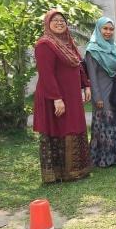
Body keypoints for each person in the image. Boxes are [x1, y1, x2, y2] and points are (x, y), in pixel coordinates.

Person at [33, 9, 91, 183]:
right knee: (60, 129)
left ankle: (77, 170)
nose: (59, 23)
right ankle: (59, 173)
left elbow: (79, 65)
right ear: (48, 23)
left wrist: (86, 85)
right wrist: (57, 98)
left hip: (72, 96)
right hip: (55, 96)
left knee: (74, 126)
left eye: (62, 20)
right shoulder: (45, 44)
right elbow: (46, 74)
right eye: (55, 20)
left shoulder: (68, 43)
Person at [85, 17, 116, 167]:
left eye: (111, 29)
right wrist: (97, 96)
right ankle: (103, 159)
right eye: (105, 28)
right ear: (98, 29)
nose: (108, 32)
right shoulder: (92, 50)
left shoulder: (113, 47)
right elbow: (92, 76)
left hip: (114, 93)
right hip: (101, 94)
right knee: (104, 125)